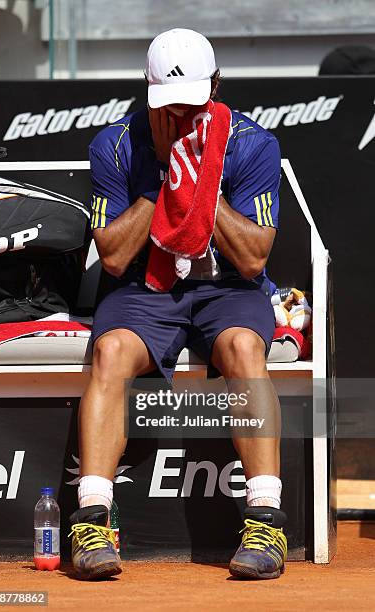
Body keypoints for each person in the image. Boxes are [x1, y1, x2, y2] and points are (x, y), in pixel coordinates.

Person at [69, 28, 287, 581]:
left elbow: (255, 260)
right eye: (168, 105)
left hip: (226, 287)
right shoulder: (115, 145)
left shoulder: (252, 144)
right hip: (145, 288)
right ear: (146, 90)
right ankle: (92, 519)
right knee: (112, 350)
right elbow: (114, 259)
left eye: (192, 104)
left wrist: (200, 176)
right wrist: (166, 177)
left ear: (216, 86)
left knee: (242, 347)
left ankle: (266, 520)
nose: (181, 116)